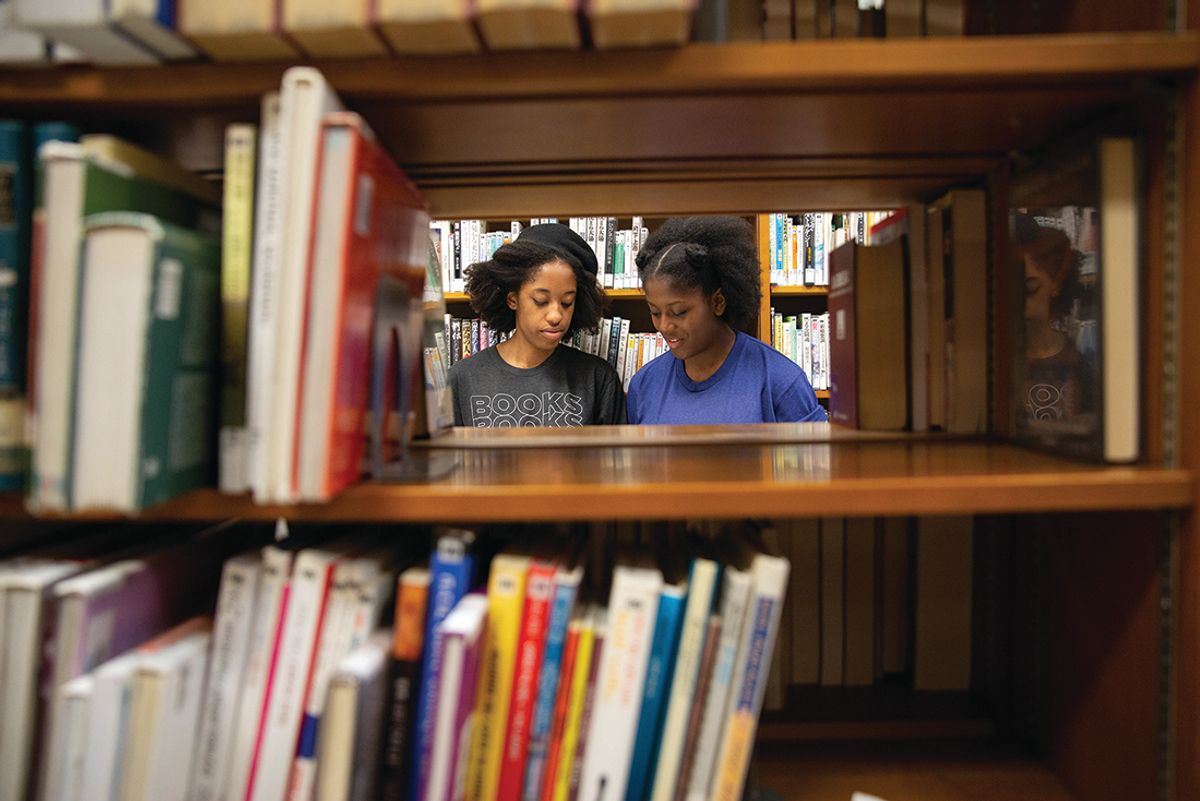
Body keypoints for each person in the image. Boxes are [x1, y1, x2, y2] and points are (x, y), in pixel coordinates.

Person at [626, 215, 826, 424]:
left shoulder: (781, 381)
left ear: (718, 302)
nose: (664, 326)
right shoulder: (644, 385)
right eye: (655, 313)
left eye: (679, 312)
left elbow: (820, 457)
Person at [447, 223, 625, 427]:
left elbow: (614, 458)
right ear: (512, 299)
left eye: (567, 302)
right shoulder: (462, 378)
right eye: (541, 301)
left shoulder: (597, 378)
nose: (556, 315)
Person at [1013, 212, 1094, 422]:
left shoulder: (1078, 366)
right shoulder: (996, 359)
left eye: (1031, 289)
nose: (1019, 300)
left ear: (1055, 285)